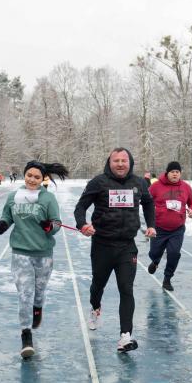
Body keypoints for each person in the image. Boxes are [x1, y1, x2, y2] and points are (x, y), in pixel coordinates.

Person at [74, 147, 156, 352]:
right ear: (109, 163)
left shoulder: (139, 183)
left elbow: (148, 204)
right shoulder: (98, 182)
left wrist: (151, 224)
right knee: (97, 285)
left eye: (124, 160)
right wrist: (82, 224)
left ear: (130, 162)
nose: (120, 164)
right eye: (116, 161)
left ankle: (125, 336)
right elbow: (80, 207)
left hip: (127, 246)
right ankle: (95, 307)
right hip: (102, 244)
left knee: (126, 289)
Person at [0, 161, 69, 358]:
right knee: (24, 294)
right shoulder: (14, 196)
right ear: (24, 174)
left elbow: (57, 223)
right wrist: (3, 223)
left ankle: (38, 309)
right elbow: (7, 215)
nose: (32, 179)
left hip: (43, 253)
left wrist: (50, 226)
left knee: (38, 292)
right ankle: (26, 335)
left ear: (42, 179)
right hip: (20, 251)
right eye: (29, 175)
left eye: (37, 177)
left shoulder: (48, 199)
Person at [147, 161, 192, 291]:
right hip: (159, 227)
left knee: (174, 253)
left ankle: (167, 278)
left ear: (180, 174)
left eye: (177, 172)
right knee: (154, 252)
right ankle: (155, 261)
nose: (175, 174)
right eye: (172, 172)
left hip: (177, 229)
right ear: (167, 173)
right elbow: (146, 200)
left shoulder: (186, 187)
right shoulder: (156, 186)